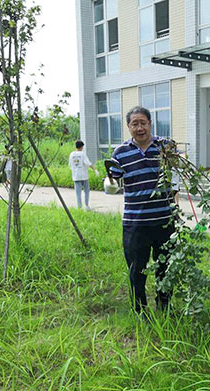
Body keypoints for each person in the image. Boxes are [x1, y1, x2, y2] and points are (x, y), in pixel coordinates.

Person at [107, 106, 175, 317]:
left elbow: (178, 169)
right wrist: (108, 180)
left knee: (166, 268)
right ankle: (140, 311)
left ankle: (164, 307)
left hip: (164, 221)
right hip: (135, 223)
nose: (139, 128)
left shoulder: (165, 146)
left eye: (143, 123)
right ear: (128, 127)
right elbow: (114, 183)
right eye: (134, 124)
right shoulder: (120, 153)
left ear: (150, 124)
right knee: (137, 270)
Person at [69, 140, 96, 209]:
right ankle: (86, 205)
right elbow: (88, 163)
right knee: (86, 191)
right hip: (84, 176)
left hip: (76, 176)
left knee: (78, 193)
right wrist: (94, 169)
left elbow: (70, 165)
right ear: (81, 147)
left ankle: (79, 206)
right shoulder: (82, 154)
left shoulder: (71, 154)